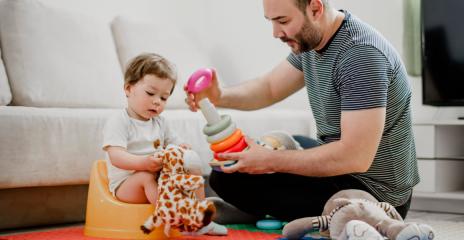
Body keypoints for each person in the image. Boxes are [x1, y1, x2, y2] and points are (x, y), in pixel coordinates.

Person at [185, 0, 419, 222]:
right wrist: (219, 96)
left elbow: (355, 157)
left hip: (375, 194)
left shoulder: (361, 55)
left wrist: (270, 162)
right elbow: (268, 88)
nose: (276, 32)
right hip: (343, 169)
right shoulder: (314, 40)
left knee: (229, 178)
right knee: (275, 147)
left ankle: (257, 209)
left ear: (315, 8)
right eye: (271, 21)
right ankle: (262, 207)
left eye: (283, 21)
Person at [103, 53, 226, 235]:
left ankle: (201, 218)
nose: (156, 101)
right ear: (129, 89)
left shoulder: (160, 122)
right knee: (146, 176)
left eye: (163, 98)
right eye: (150, 93)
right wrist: (144, 163)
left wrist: (183, 150)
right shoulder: (119, 121)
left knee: (192, 167)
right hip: (127, 185)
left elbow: (175, 144)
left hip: (159, 178)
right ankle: (175, 218)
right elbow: (116, 156)